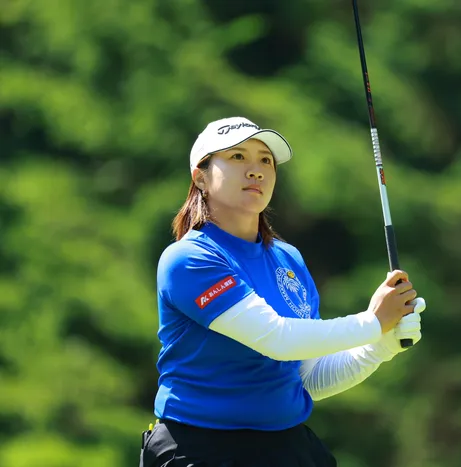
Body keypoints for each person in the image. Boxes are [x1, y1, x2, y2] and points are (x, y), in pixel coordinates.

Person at [139, 116, 427, 467]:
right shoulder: (188, 259)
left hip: (285, 445)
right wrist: (373, 322)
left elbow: (308, 378)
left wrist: (381, 346)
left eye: (266, 160)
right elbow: (278, 339)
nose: (256, 170)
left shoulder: (287, 259)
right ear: (200, 177)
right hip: (201, 448)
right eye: (238, 157)